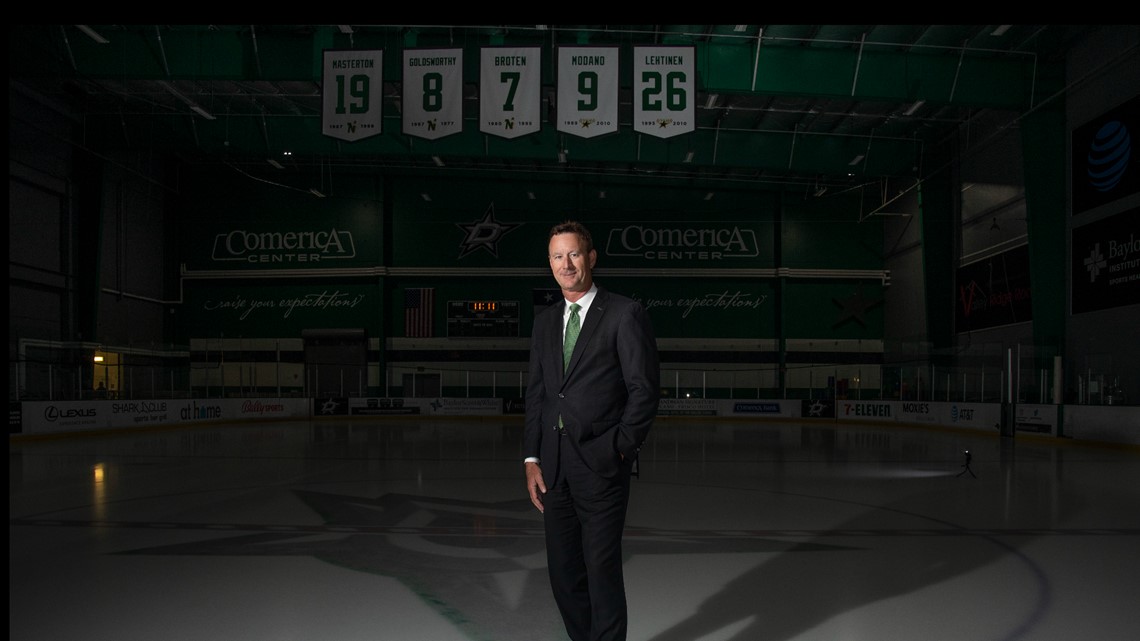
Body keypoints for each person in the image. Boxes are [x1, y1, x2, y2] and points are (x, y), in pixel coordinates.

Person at [524, 220, 660, 641]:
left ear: (591, 257)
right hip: (554, 468)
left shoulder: (623, 313)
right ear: (549, 263)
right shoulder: (545, 322)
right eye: (557, 256)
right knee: (564, 574)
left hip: (601, 466)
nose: (566, 264)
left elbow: (644, 389)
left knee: (601, 571)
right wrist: (531, 457)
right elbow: (537, 395)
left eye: (574, 254)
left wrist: (619, 448)